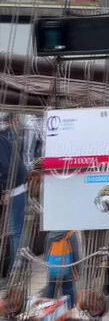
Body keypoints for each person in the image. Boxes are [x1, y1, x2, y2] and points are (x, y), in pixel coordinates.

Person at [0, 113, 28, 269]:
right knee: (15, 230)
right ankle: (14, 267)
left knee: (16, 230)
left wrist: (4, 190)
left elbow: (3, 167)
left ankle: (17, 270)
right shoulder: (4, 138)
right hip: (16, 185)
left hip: (15, 188)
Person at [42, 230, 81, 308]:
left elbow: (46, 254)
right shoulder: (71, 234)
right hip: (67, 269)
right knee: (69, 291)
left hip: (53, 269)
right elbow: (76, 254)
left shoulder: (50, 234)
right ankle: (70, 310)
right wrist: (78, 270)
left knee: (50, 291)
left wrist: (48, 266)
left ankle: (47, 311)